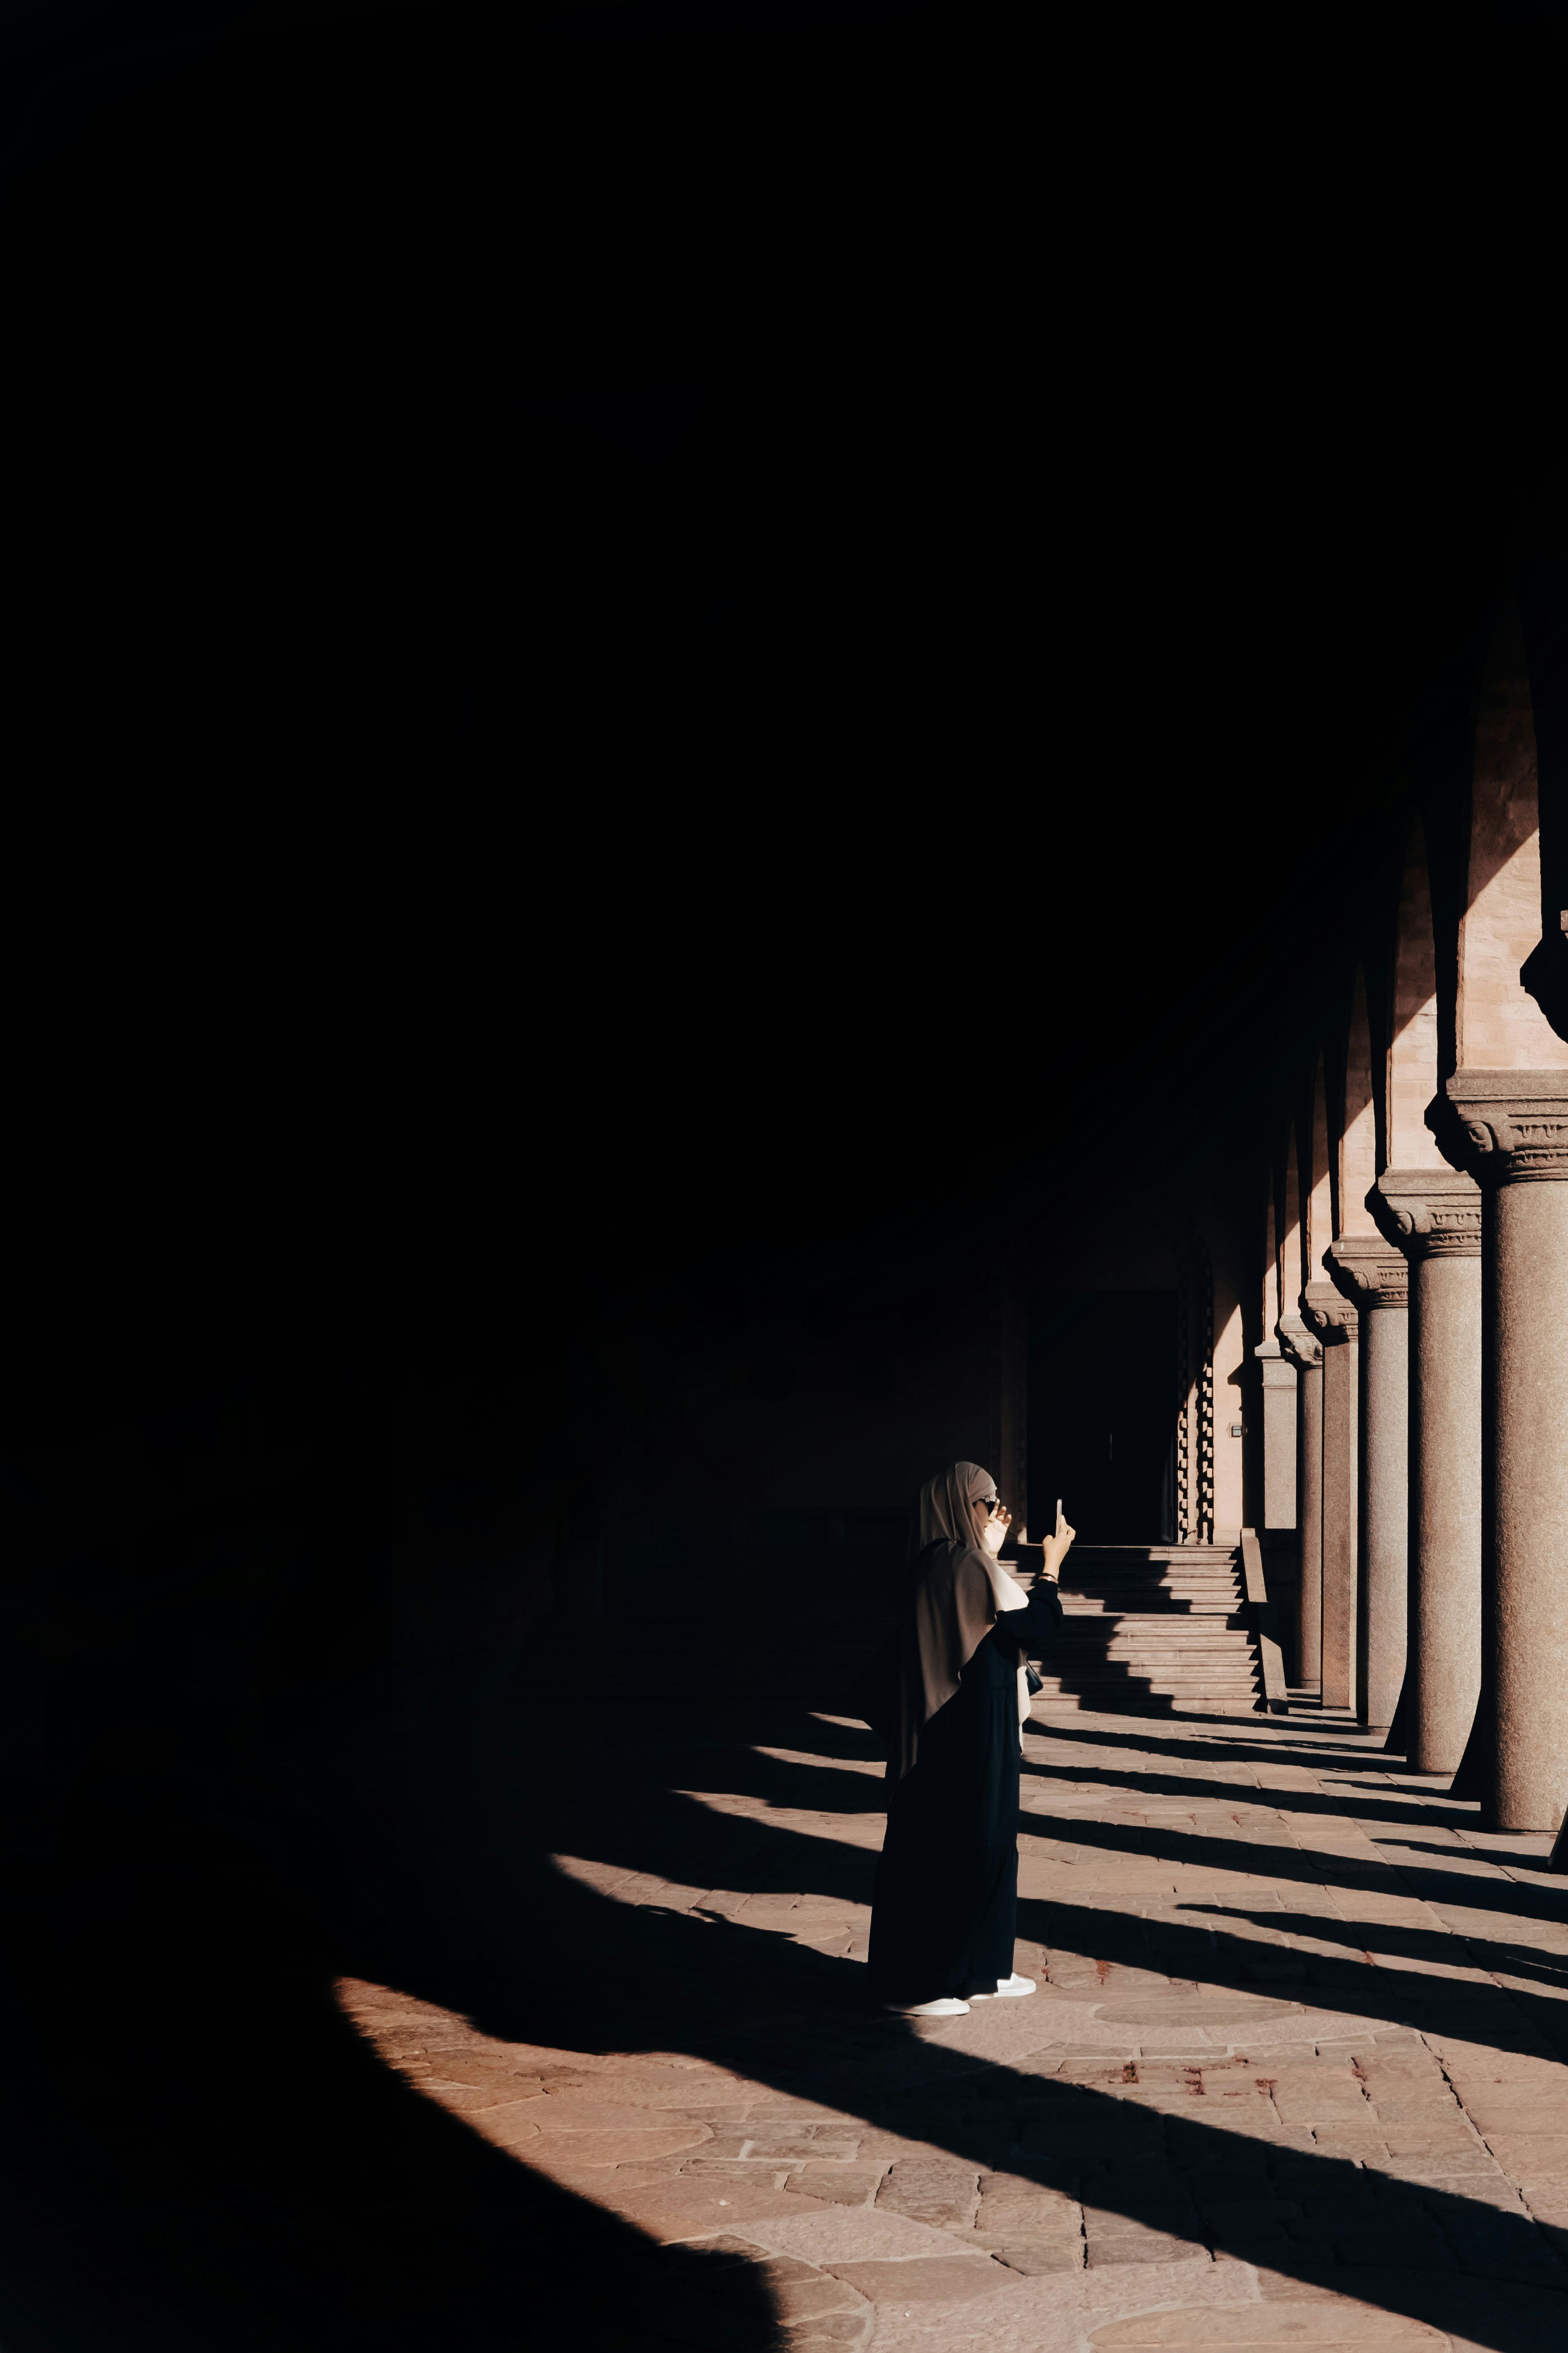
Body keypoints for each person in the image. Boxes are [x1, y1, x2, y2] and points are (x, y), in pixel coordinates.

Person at [864, 1461, 1074, 2018]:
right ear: (958, 1505)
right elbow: (1033, 1624)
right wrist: (1051, 1568)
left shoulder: (956, 1562)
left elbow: (995, 1621)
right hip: (958, 1728)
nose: (992, 1511)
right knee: (947, 1848)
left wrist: (992, 1553)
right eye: (984, 1502)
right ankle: (918, 1981)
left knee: (988, 1843)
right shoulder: (953, 1562)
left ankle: (980, 1967)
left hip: (984, 1720)